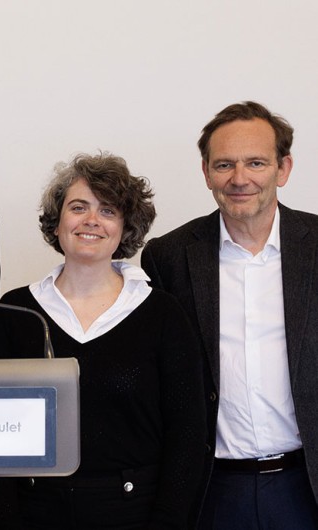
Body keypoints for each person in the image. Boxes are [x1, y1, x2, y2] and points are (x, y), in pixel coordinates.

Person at [0, 153, 205, 529]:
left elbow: (187, 434)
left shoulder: (162, 313)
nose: (91, 221)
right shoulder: (14, 312)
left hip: (135, 515)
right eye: (78, 207)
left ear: (125, 227)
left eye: (107, 211)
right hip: (36, 514)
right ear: (57, 223)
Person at [141, 101, 318, 529]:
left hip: (308, 485)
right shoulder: (168, 257)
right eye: (224, 165)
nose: (240, 179)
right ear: (205, 172)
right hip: (212, 492)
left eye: (256, 162)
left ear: (283, 168)